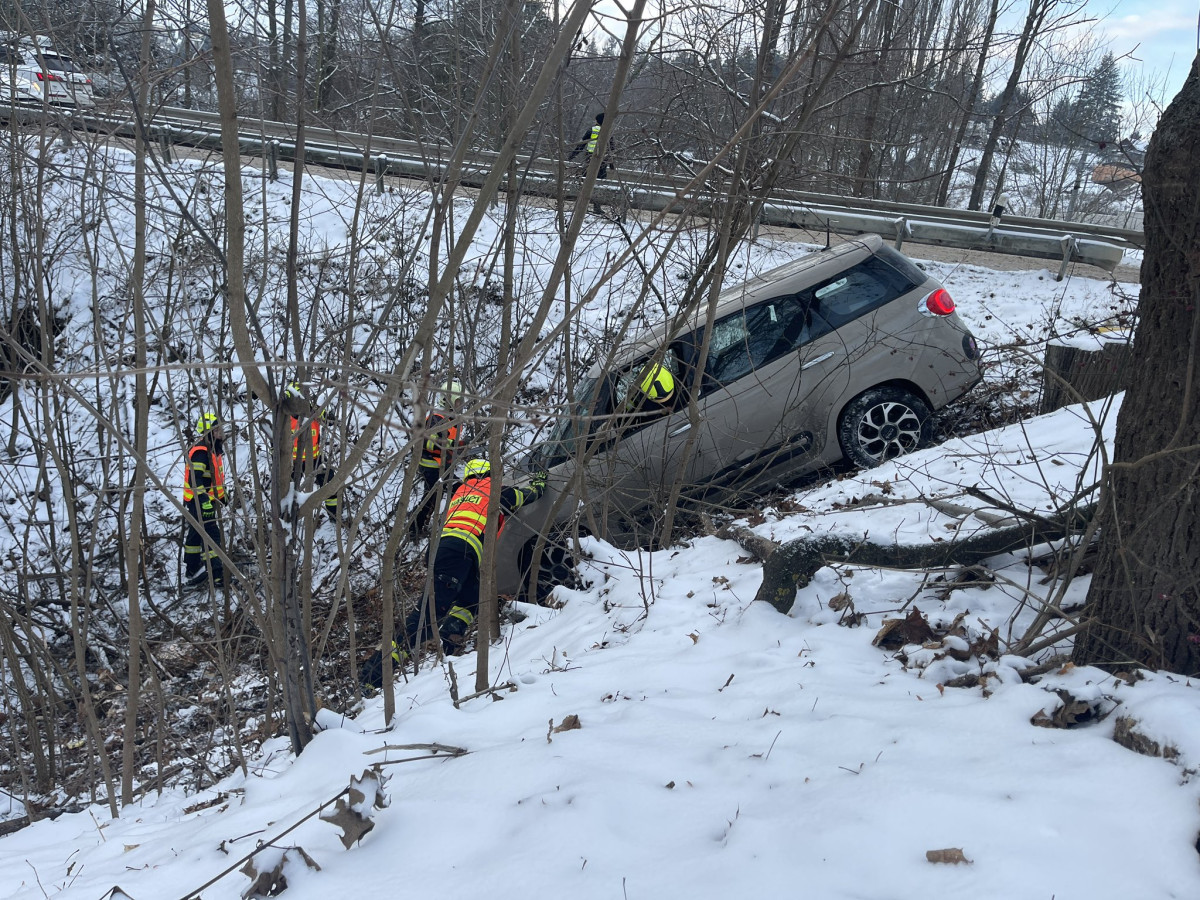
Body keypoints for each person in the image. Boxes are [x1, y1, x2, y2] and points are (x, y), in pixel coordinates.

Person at [361, 458, 547, 690]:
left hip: (446, 550)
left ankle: (449, 642)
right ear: (490, 474)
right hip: (460, 552)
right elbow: (525, 496)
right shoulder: (493, 489)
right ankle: (373, 676)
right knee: (424, 620)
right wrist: (539, 483)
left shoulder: (460, 491)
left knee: (470, 599)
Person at [410, 380, 466, 537]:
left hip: (442, 465)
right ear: (448, 400)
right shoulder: (437, 418)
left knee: (433, 497)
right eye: (457, 401)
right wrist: (454, 445)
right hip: (432, 466)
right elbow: (427, 442)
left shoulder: (452, 418)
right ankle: (414, 528)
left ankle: (417, 526)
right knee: (449, 493)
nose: (460, 404)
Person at [183, 412, 227, 588]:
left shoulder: (212, 450)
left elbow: (214, 478)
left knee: (195, 533)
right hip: (199, 501)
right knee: (211, 534)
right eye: (217, 429)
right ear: (209, 433)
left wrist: (222, 496)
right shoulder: (201, 453)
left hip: (204, 500)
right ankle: (217, 574)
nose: (221, 432)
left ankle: (191, 568)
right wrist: (204, 501)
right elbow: (195, 481)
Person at [286, 382, 337, 521]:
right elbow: (276, 440)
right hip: (292, 463)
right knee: (288, 491)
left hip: (315, 459)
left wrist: (321, 411)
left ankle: (334, 515)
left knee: (330, 482)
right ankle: (288, 518)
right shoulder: (285, 418)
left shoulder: (314, 413)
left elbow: (331, 420)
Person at [570, 112, 613, 179]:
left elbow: (581, 145)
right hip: (603, 159)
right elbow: (611, 148)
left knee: (587, 175)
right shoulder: (608, 132)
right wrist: (611, 164)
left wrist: (572, 156)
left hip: (590, 157)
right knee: (600, 177)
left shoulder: (592, 129)